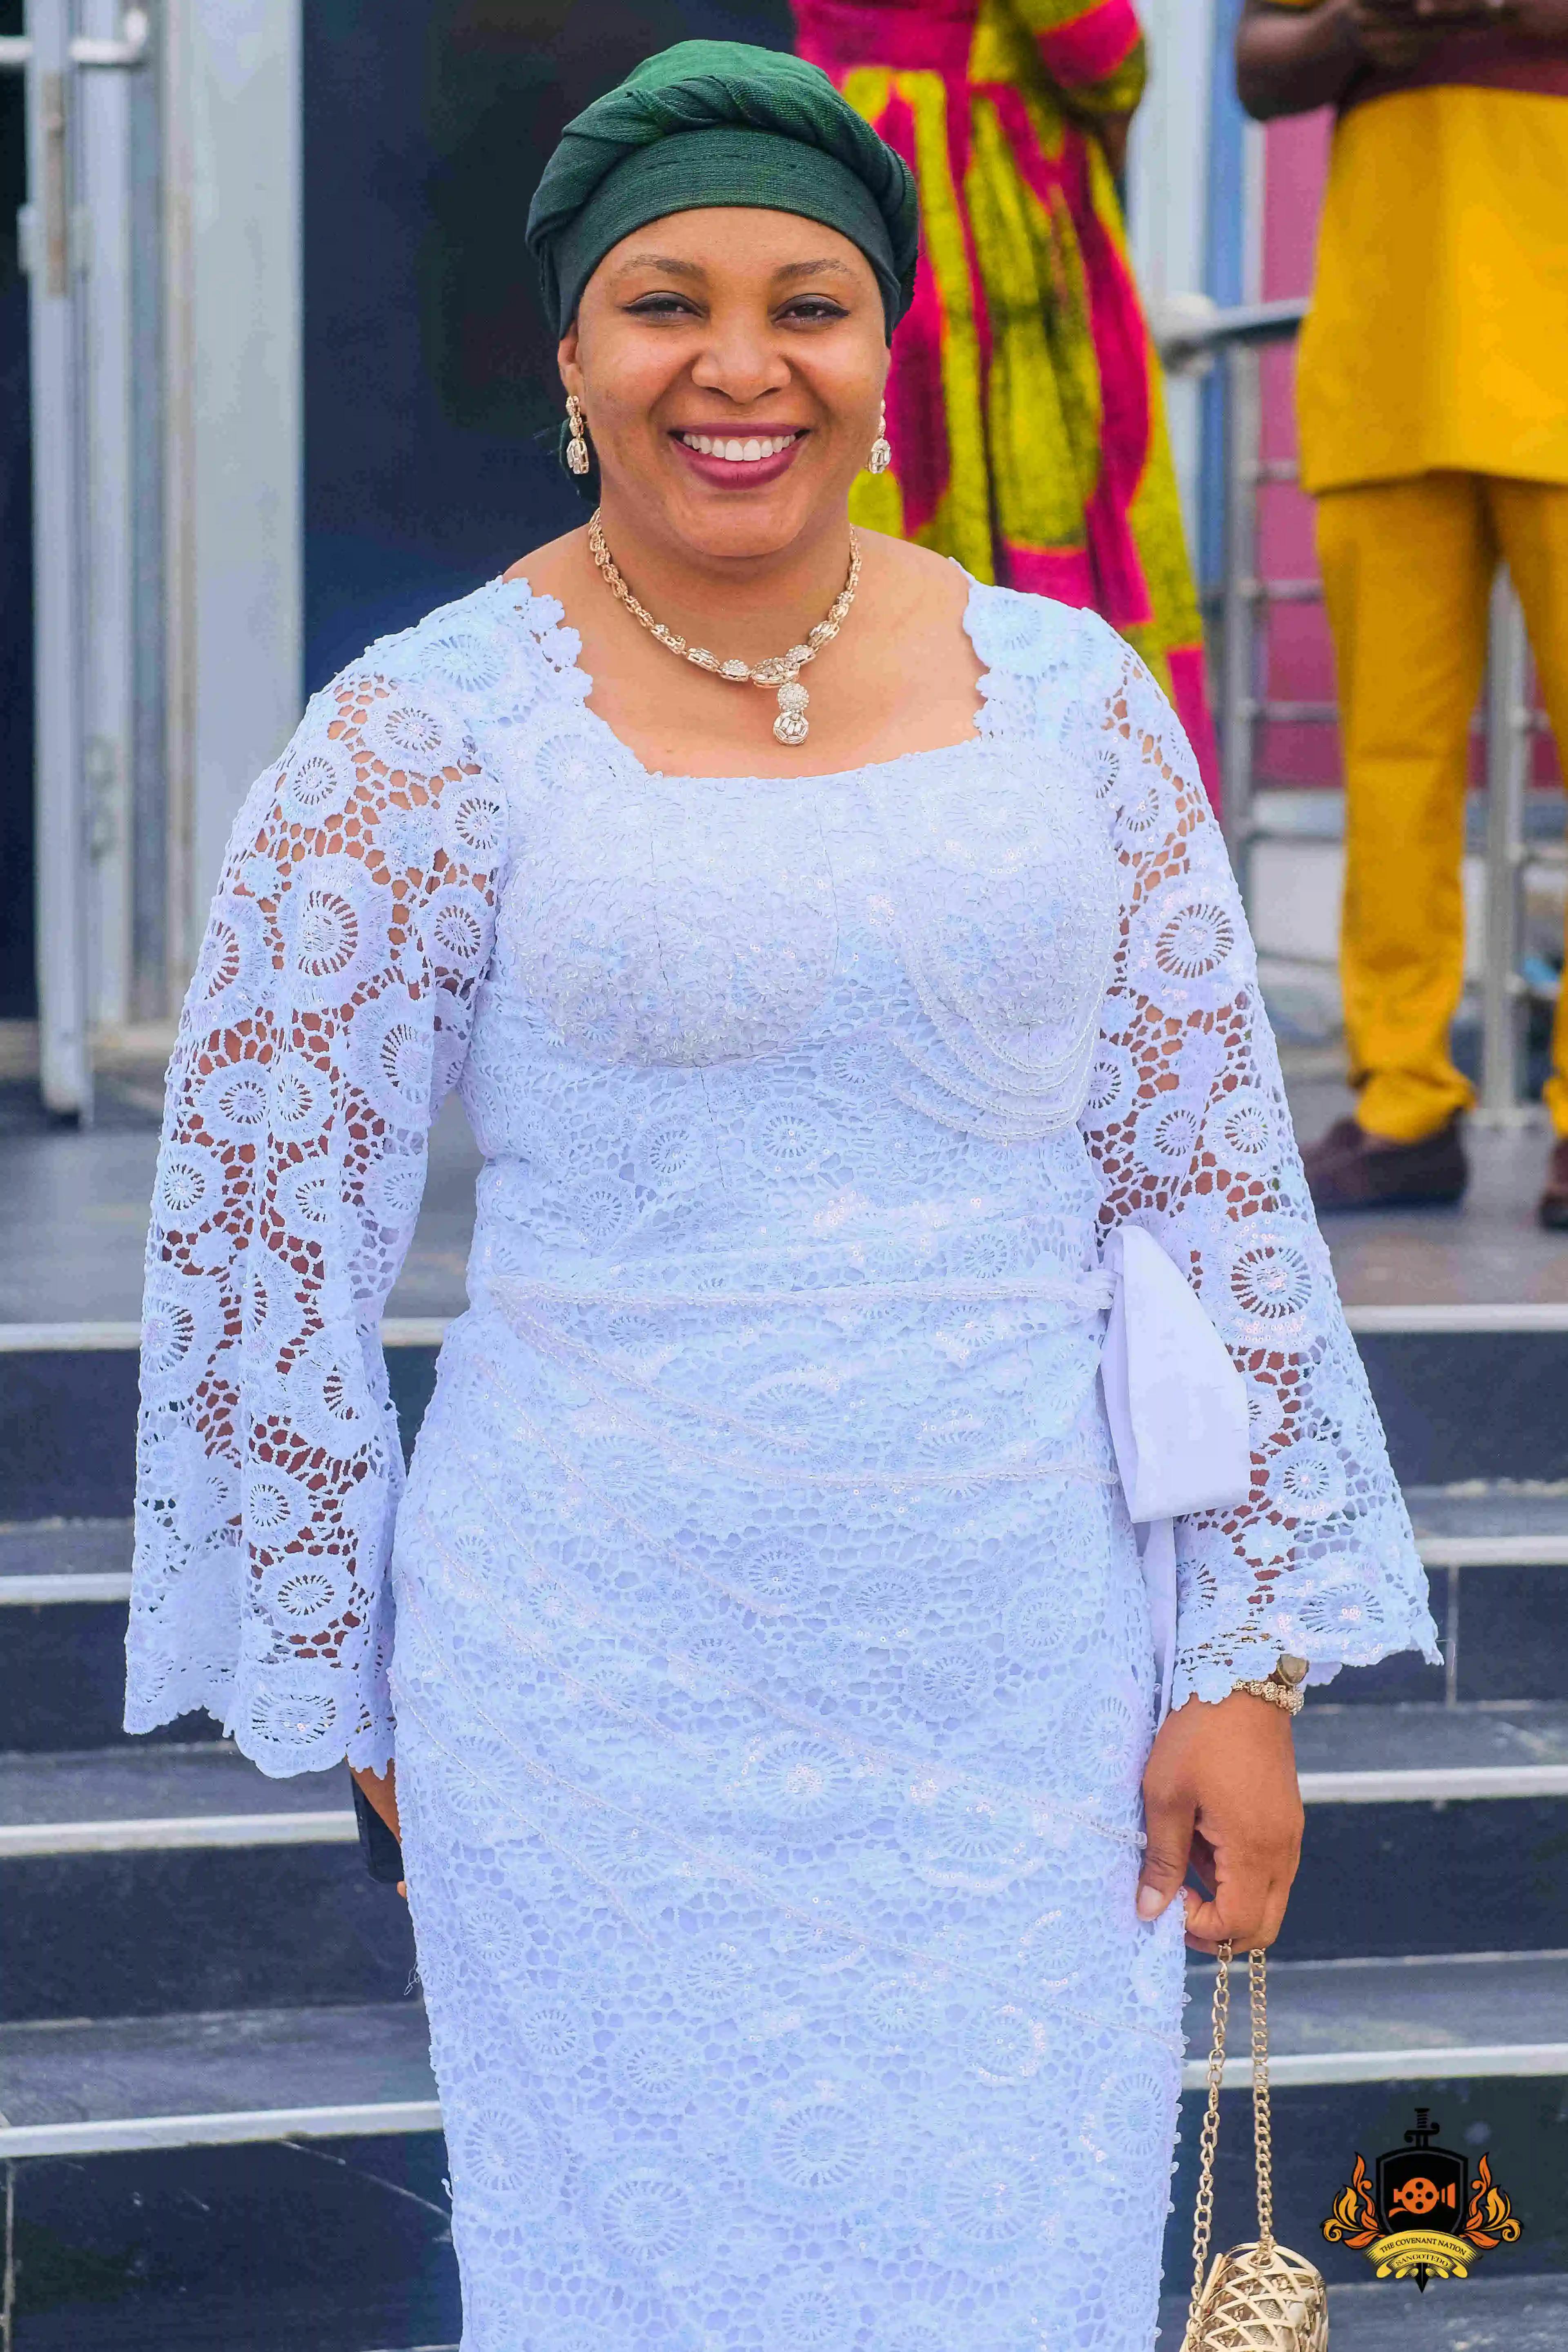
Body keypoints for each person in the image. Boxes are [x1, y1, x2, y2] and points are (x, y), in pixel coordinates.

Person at [125, 41, 1437, 2350]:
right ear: (571, 353)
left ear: (886, 347)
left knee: (1011, 2271)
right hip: (593, 1685)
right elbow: (260, 1236)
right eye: (666, 303)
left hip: (1022, 1675)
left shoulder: (1078, 701)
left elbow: (1210, 1194)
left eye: (808, 303)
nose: (740, 365)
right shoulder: (421, 732)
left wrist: (1243, 1661)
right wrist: (366, 1690)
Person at [1237, 0, 1568, 1228]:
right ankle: (1403, 1106)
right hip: (1391, 344)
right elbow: (1260, 67)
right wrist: (1361, 26)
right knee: (1390, 767)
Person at [793, 0, 1221, 797]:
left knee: (867, 481)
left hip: (838, 165)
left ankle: (855, 769)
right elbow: (1096, 46)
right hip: (972, 189)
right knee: (1020, 507)